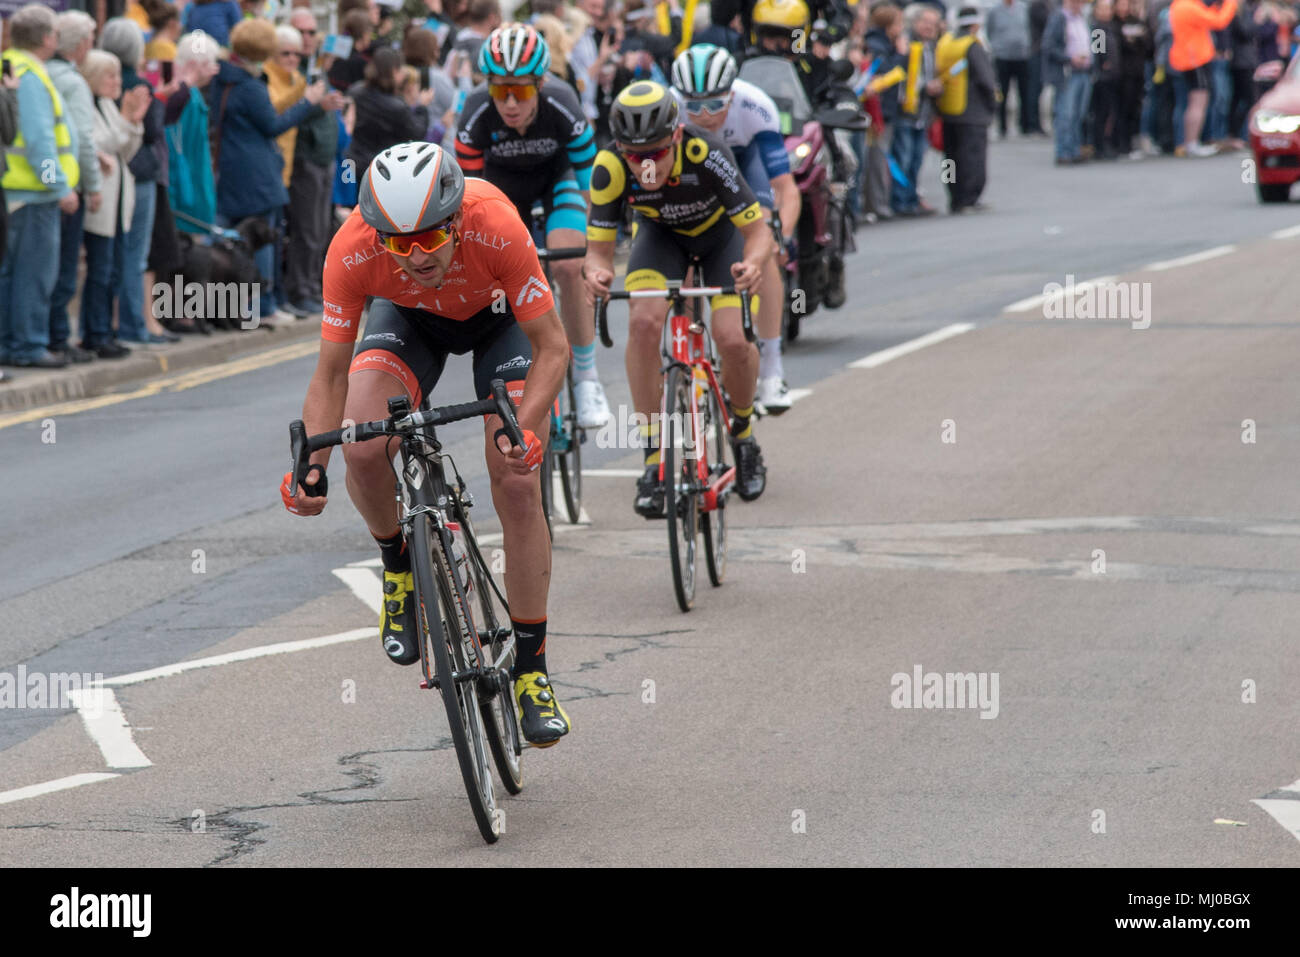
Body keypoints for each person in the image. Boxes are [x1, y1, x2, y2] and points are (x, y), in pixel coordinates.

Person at [281, 142, 574, 747]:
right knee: (365, 448)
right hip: (411, 321)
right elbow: (331, 375)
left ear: (457, 219)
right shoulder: (352, 246)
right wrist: (312, 464)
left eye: (431, 238)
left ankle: (531, 670)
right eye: (398, 242)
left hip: (500, 322)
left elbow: (553, 348)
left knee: (517, 482)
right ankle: (398, 567)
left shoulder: (496, 223)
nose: (416, 256)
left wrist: (526, 425)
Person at [581, 81, 771, 517]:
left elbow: (758, 232)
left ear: (678, 136)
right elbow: (598, 251)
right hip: (660, 239)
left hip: (722, 240)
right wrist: (596, 272)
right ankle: (653, 458)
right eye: (635, 155)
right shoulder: (609, 165)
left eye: (656, 152)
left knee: (732, 338)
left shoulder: (707, 153)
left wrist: (755, 264)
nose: (645, 165)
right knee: (643, 323)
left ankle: (742, 435)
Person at [456, 23, 610, 428]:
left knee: (566, 264)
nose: (509, 102)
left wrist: (595, 245)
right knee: (508, 274)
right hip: (499, 194)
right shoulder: (473, 114)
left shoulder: (563, 102)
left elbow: (592, 182)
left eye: (520, 90)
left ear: (540, 84)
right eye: (499, 89)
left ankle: (587, 378)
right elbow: (468, 198)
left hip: (555, 183)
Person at [670, 43, 800, 414]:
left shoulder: (755, 107)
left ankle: (772, 368)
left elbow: (785, 188)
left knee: (766, 245)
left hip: (745, 165)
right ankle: (694, 358)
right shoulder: (666, 108)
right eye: (693, 106)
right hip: (692, 171)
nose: (705, 114)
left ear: (733, 92)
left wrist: (783, 235)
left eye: (715, 103)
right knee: (687, 241)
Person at [208, 17, 344, 323]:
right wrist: (308, 102)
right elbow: (273, 125)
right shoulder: (251, 87)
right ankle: (264, 306)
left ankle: (237, 308)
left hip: (231, 166)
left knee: (233, 240)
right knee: (264, 240)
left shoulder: (223, 79)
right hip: (258, 174)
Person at [0, 3, 81, 371]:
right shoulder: (29, 74)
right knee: (32, 275)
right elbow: (38, 141)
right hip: (33, 193)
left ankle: (12, 344)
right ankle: (28, 345)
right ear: (48, 37)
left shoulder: (14, 66)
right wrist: (59, 186)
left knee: (14, 274)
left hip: (18, 192)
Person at [80, 51, 150, 360]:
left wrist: (133, 122)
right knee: (100, 272)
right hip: (100, 204)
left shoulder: (108, 105)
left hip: (119, 202)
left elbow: (124, 150)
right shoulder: (88, 106)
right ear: (94, 76)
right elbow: (99, 143)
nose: (117, 82)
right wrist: (125, 120)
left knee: (113, 271)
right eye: (111, 76)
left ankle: (105, 331)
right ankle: (94, 334)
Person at [48, 10, 103, 365]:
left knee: (44, 268)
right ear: (82, 44)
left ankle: (45, 336)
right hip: (68, 187)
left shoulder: (40, 73)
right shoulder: (72, 81)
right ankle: (57, 338)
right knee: (64, 268)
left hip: (42, 184)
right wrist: (94, 184)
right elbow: (83, 138)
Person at [282, 8, 339, 317]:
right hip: (304, 157)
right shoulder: (291, 67)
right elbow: (293, 110)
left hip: (325, 157)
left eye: (310, 32)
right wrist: (320, 106)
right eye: (300, 32)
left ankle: (313, 287)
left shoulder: (316, 65)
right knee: (305, 229)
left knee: (318, 228)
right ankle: (299, 290)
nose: (307, 38)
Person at [885, 3, 943, 213]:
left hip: (924, 113)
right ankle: (900, 202)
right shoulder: (906, 44)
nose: (929, 27)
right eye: (925, 22)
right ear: (915, 23)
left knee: (917, 160)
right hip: (906, 112)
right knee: (903, 157)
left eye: (933, 23)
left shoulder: (933, 46)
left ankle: (912, 199)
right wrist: (924, 87)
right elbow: (898, 75)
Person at [936, 6, 996, 211]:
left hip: (948, 109)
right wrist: (993, 103)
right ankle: (969, 197)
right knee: (972, 158)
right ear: (976, 24)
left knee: (950, 158)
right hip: (972, 111)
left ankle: (953, 196)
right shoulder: (972, 45)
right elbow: (986, 79)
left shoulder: (944, 42)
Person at [347, 48, 434, 185]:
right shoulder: (396, 107)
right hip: (380, 169)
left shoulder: (355, 91)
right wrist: (421, 107)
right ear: (394, 71)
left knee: (350, 204)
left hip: (351, 161)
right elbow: (417, 132)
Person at [1169, 0, 1238, 156]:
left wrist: (1214, 7)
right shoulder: (1189, 7)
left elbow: (1207, 17)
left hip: (1190, 58)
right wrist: (1230, 4)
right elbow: (1219, 22)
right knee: (1198, 101)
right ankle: (1191, 143)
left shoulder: (1181, 5)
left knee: (1191, 102)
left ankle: (1188, 142)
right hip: (1195, 59)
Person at [1043, 0, 1096, 164]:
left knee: (1078, 114)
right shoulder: (1058, 18)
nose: (1078, 4)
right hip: (1068, 72)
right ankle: (1063, 152)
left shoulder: (1084, 19)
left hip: (1084, 72)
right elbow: (1049, 46)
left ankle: (1074, 149)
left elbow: (1095, 42)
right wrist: (1069, 58)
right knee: (1066, 114)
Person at [986, 0, 1032, 138]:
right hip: (1002, 56)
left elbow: (1028, 28)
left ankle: (1025, 125)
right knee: (1002, 92)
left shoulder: (1023, 8)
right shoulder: (995, 11)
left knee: (1024, 92)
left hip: (1021, 56)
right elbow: (990, 30)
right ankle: (1003, 127)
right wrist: (997, 46)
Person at [1091, 0, 1123, 158]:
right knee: (1101, 113)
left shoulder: (1111, 28)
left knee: (1110, 112)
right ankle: (1099, 146)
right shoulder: (1098, 29)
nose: (1106, 12)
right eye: (1102, 9)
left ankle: (1108, 144)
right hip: (1103, 79)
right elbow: (1097, 55)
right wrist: (1103, 68)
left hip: (1112, 77)